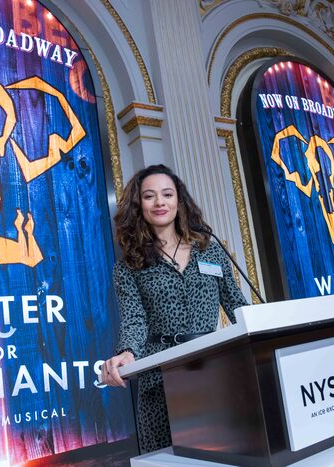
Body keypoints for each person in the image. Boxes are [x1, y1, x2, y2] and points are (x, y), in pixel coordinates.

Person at [100, 164, 248, 453]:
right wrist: (126, 351)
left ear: (179, 200)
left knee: (228, 453)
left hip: (214, 368)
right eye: (149, 196)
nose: (159, 202)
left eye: (167, 194)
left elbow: (236, 304)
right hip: (160, 377)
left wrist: (265, 328)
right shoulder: (129, 265)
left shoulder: (211, 249)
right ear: (138, 205)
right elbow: (134, 322)